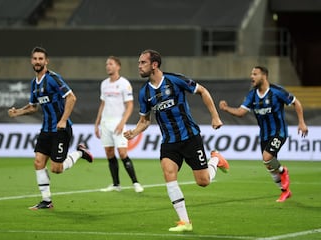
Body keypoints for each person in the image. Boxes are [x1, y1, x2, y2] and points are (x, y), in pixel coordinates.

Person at [123, 49, 229, 232]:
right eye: (139, 63)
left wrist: (215, 117)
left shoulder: (174, 80)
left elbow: (202, 91)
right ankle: (185, 222)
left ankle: (216, 160)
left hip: (190, 137)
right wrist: (134, 132)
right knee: (168, 174)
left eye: (143, 63)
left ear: (154, 65)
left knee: (203, 182)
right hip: (169, 142)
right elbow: (145, 120)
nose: (139, 66)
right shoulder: (144, 92)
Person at [8, 46, 93, 210]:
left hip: (61, 130)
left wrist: (63, 120)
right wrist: (17, 112)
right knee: (38, 162)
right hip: (46, 129)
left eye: (41, 59)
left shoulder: (53, 78)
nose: (38, 61)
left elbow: (71, 97)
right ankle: (46, 201)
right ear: (31, 61)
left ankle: (81, 152)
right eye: (35, 59)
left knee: (56, 169)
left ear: (46, 61)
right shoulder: (34, 83)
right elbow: (33, 107)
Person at [219, 66, 308, 202]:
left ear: (264, 76)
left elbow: (296, 102)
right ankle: (285, 191)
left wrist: (301, 122)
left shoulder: (277, 91)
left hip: (279, 132)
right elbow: (241, 113)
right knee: (269, 166)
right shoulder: (252, 95)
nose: (251, 77)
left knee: (267, 157)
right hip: (264, 135)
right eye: (251, 74)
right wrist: (226, 109)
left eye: (255, 74)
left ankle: (283, 171)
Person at [95, 56, 144, 193]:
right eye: (107, 64)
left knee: (122, 153)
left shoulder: (124, 84)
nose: (108, 66)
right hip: (105, 123)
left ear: (118, 66)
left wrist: (122, 122)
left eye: (110, 64)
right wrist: (97, 123)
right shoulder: (104, 84)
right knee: (109, 153)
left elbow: (130, 105)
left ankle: (135, 183)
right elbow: (102, 104)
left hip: (118, 123)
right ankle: (116, 184)